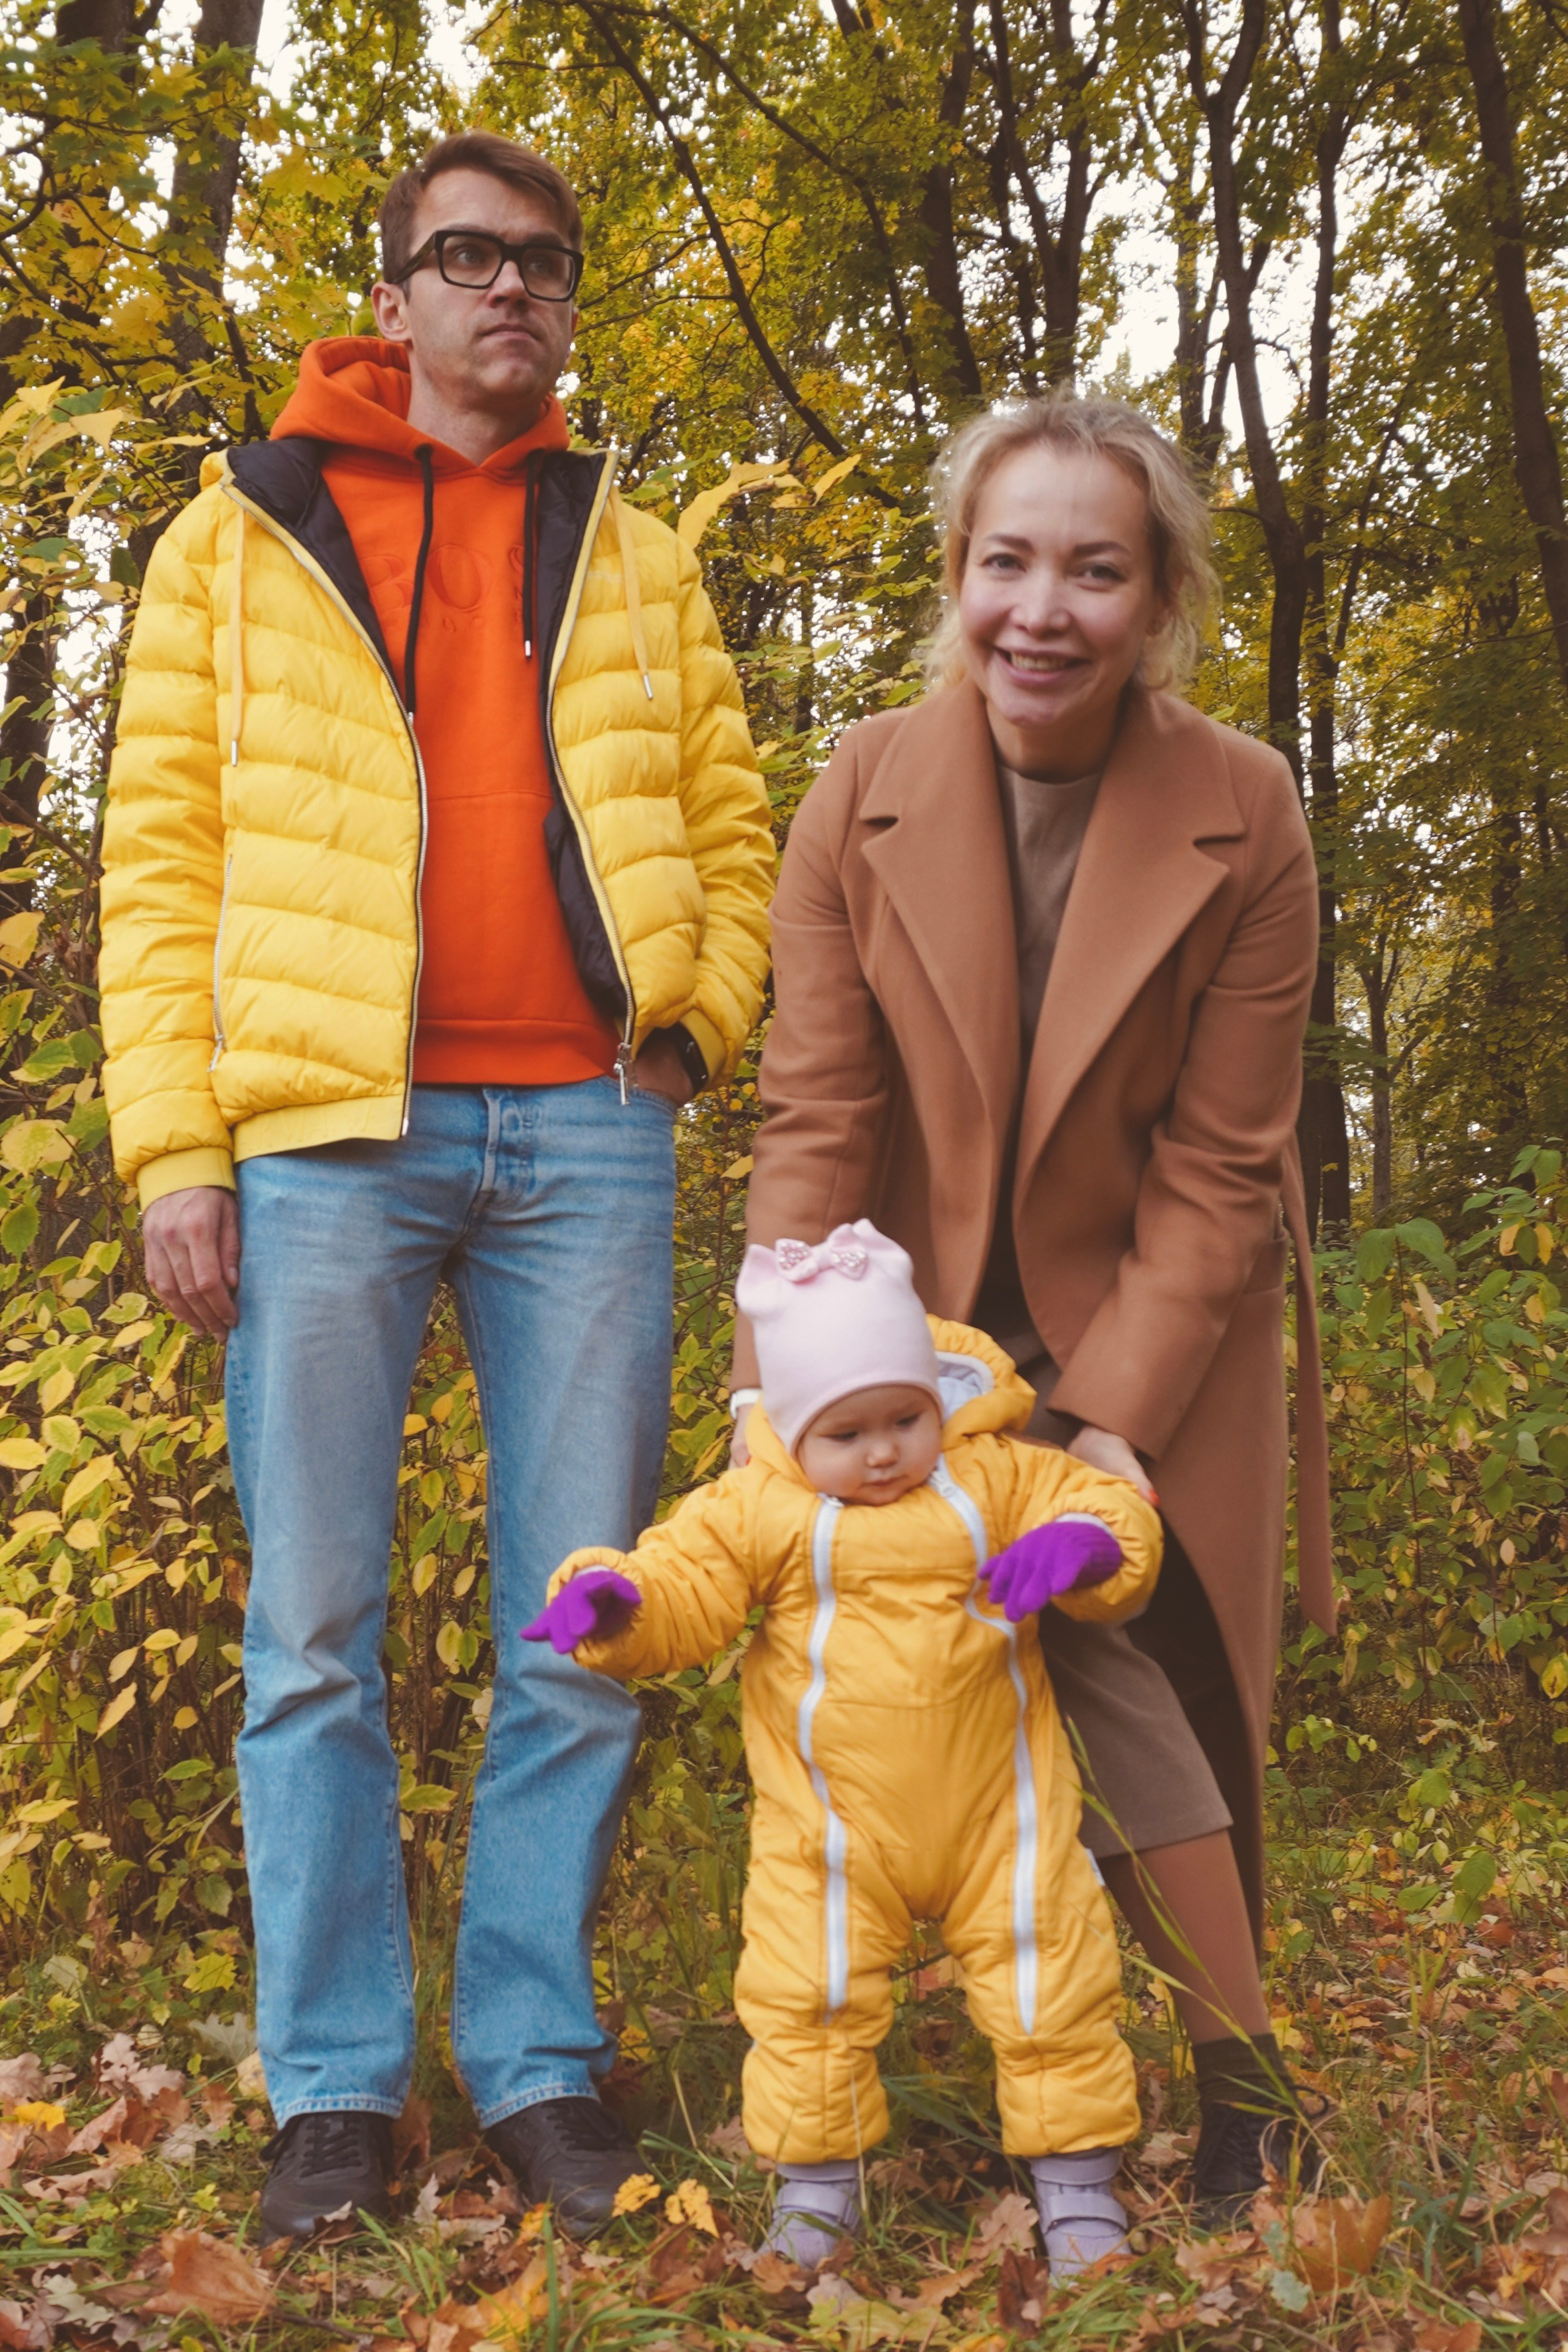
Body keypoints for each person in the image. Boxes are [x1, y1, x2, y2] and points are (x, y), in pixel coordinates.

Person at [98, 130, 775, 2242]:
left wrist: (690, 1028)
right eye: (463, 257)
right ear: (388, 298)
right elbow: (161, 865)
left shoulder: (635, 550)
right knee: (308, 1635)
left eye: (543, 262)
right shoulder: (238, 537)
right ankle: (333, 2092)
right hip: (322, 1141)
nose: (509, 289)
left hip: (583, 1130)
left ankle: (536, 2065)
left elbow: (733, 829)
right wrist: (174, 1151)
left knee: (578, 1627)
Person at [732, 392, 1335, 2222]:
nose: (1040, 609)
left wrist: (1106, 1438)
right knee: (865, 1672)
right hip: (896, 1319)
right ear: (955, 578)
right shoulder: (862, 780)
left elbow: (1224, 1164)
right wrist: (777, 1378)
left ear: (1155, 601)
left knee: (1134, 1664)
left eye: (1092, 567)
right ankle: (879, 2068)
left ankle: (1243, 2085)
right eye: (1007, 562)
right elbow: (816, 1107)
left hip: (1150, 1300)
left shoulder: (1243, 808)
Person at [525, 1222, 1162, 2278]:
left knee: (1053, 1978)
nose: (880, 1451)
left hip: (1003, 1810)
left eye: (904, 1418)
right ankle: (817, 2190)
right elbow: (685, 1585)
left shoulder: (992, 1476)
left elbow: (1100, 1506)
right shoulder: (756, 1508)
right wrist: (614, 1602)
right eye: (845, 1431)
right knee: (802, 1995)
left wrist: (1087, 1546)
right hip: (831, 1826)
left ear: (934, 1400)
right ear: (786, 1429)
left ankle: (1077, 2188)